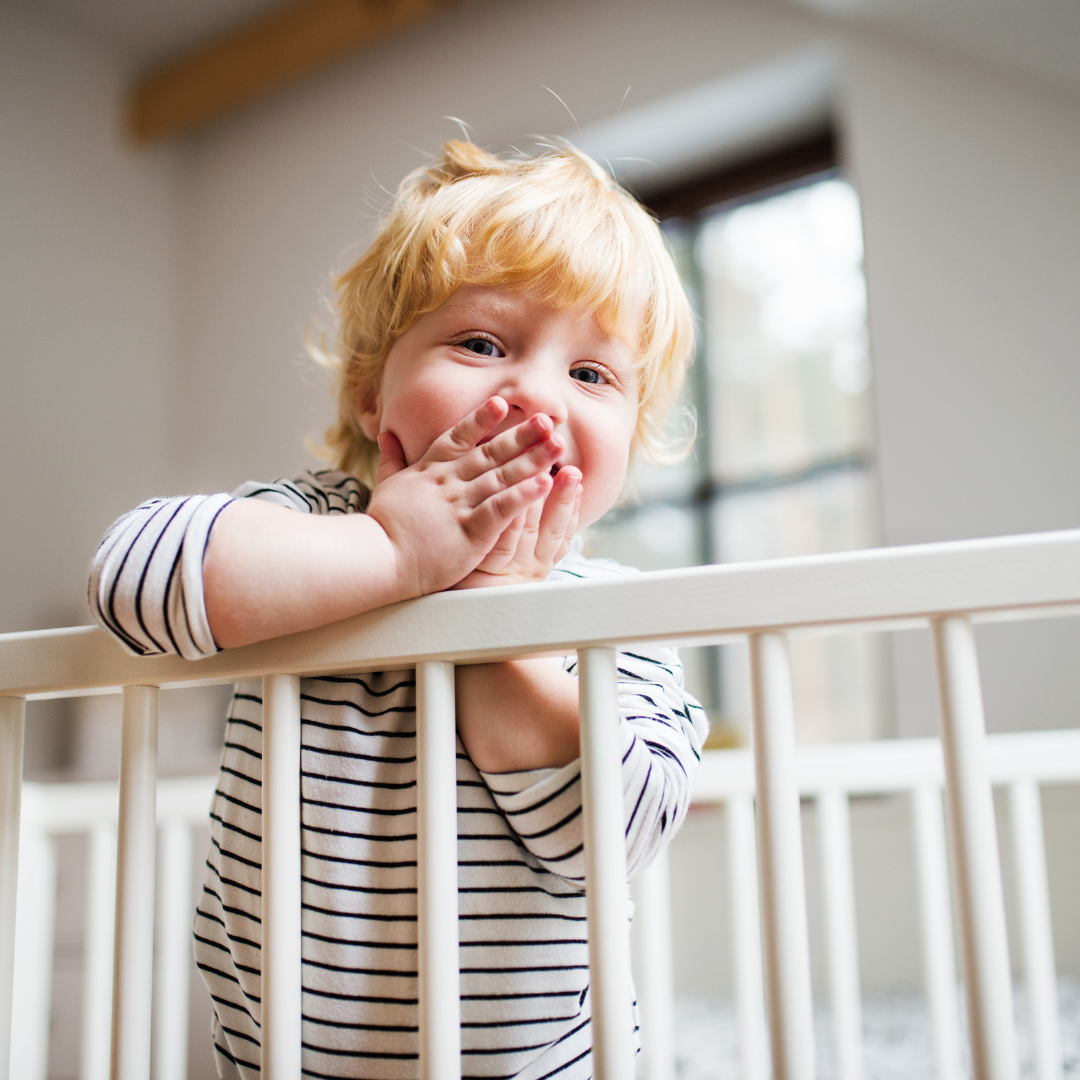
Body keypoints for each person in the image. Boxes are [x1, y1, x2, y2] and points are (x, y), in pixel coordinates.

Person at [89, 139, 708, 1080]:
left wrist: (495, 611)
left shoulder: (612, 620)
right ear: (372, 391)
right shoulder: (315, 533)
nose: (534, 391)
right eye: (481, 343)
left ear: (631, 440)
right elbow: (130, 579)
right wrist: (394, 553)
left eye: (592, 375)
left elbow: (611, 839)